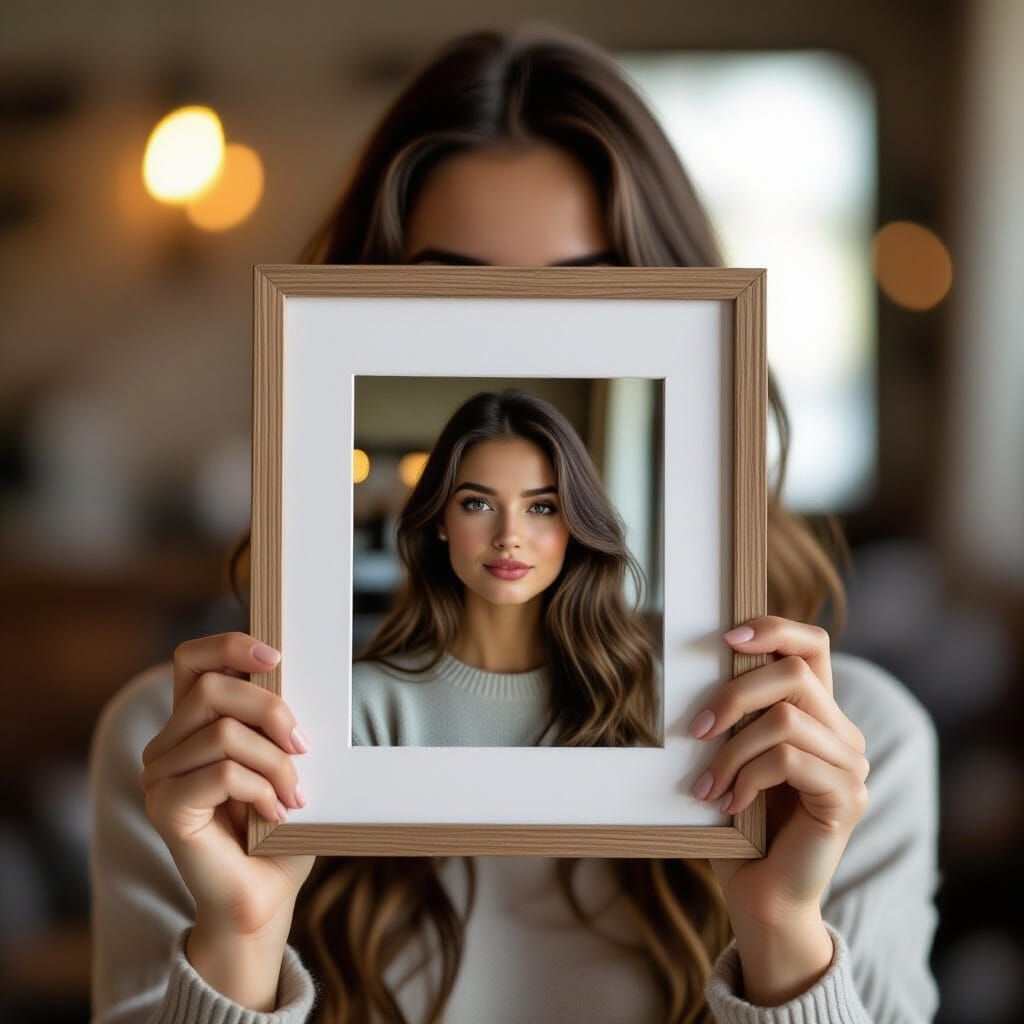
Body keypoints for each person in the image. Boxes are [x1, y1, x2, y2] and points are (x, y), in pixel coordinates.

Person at [88, 22, 942, 1024]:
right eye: (454, 298)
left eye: (588, 302)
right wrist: (236, 942)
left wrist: (783, 931)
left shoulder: (841, 756)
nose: (519, 349)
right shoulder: (201, 757)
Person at [349, 386, 662, 749]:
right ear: (441, 521)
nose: (509, 536)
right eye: (478, 504)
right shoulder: (367, 703)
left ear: (574, 526)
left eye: (542, 507)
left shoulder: (645, 690)